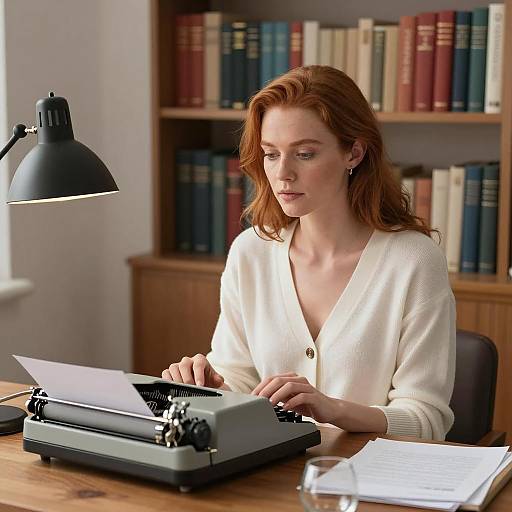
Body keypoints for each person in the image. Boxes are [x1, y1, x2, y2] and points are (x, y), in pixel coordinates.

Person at [162, 65, 456, 441]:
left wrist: (333, 409)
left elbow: (426, 421)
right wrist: (211, 383)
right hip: (270, 477)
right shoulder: (250, 253)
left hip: (370, 483)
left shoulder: (413, 261)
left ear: (354, 152)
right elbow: (239, 378)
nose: (283, 173)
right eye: (270, 154)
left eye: (304, 154)